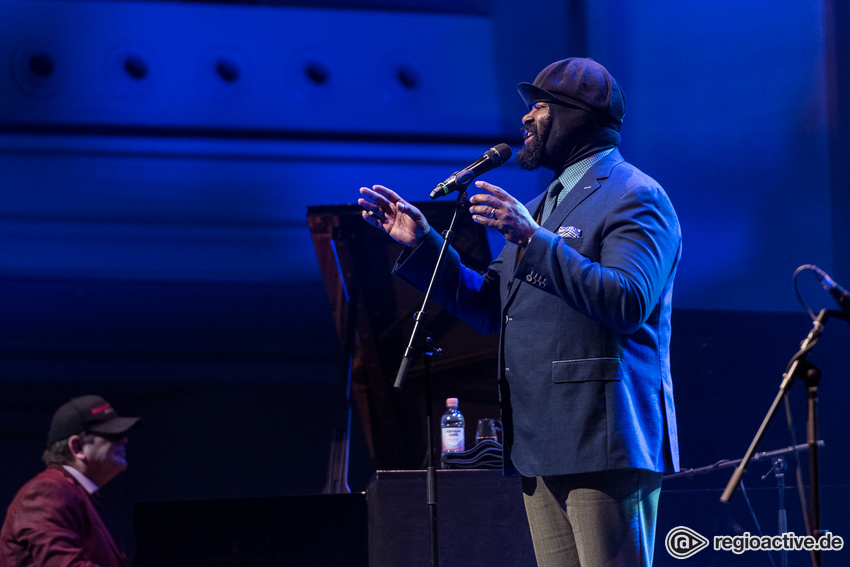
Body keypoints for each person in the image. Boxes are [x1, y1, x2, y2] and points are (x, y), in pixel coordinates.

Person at [358, 57, 681, 566]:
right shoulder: (543, 204)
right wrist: (423, 244)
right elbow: (491, 307)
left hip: (602, 438)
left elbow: (627, 301)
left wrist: (532, 237)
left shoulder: (635, 196)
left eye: (540, 107)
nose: (527, 119)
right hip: (539, 441)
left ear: (578, 116)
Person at [0, 395, 141, 567]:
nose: (124, 440)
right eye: (113, 435)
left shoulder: (80, 495)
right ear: (77, 447)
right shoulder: (47, 491)